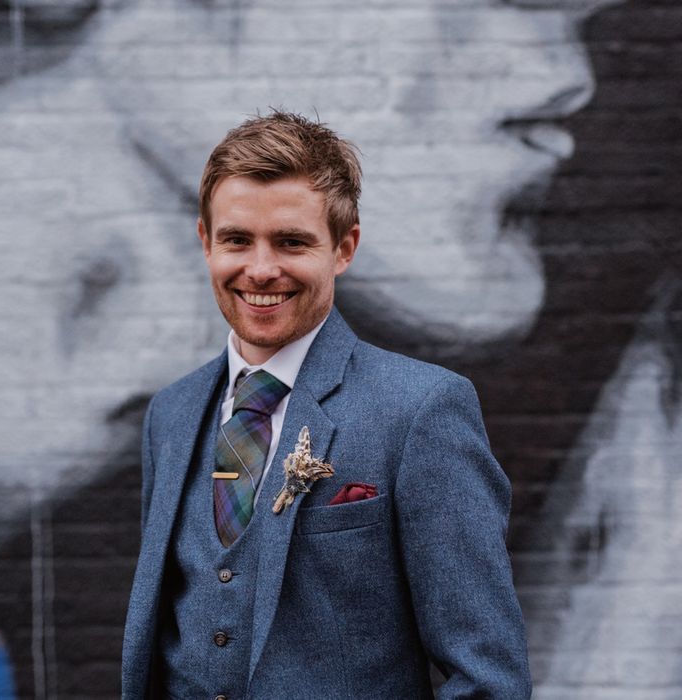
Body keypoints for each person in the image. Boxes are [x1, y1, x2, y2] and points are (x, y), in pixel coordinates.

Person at [122, 111, 531, 699]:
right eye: (237, 239)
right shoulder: (171, 414)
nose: (260, 270)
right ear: (205, 242)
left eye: (291, 242)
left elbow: (489, 680)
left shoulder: (421, 410)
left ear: (344, 248)